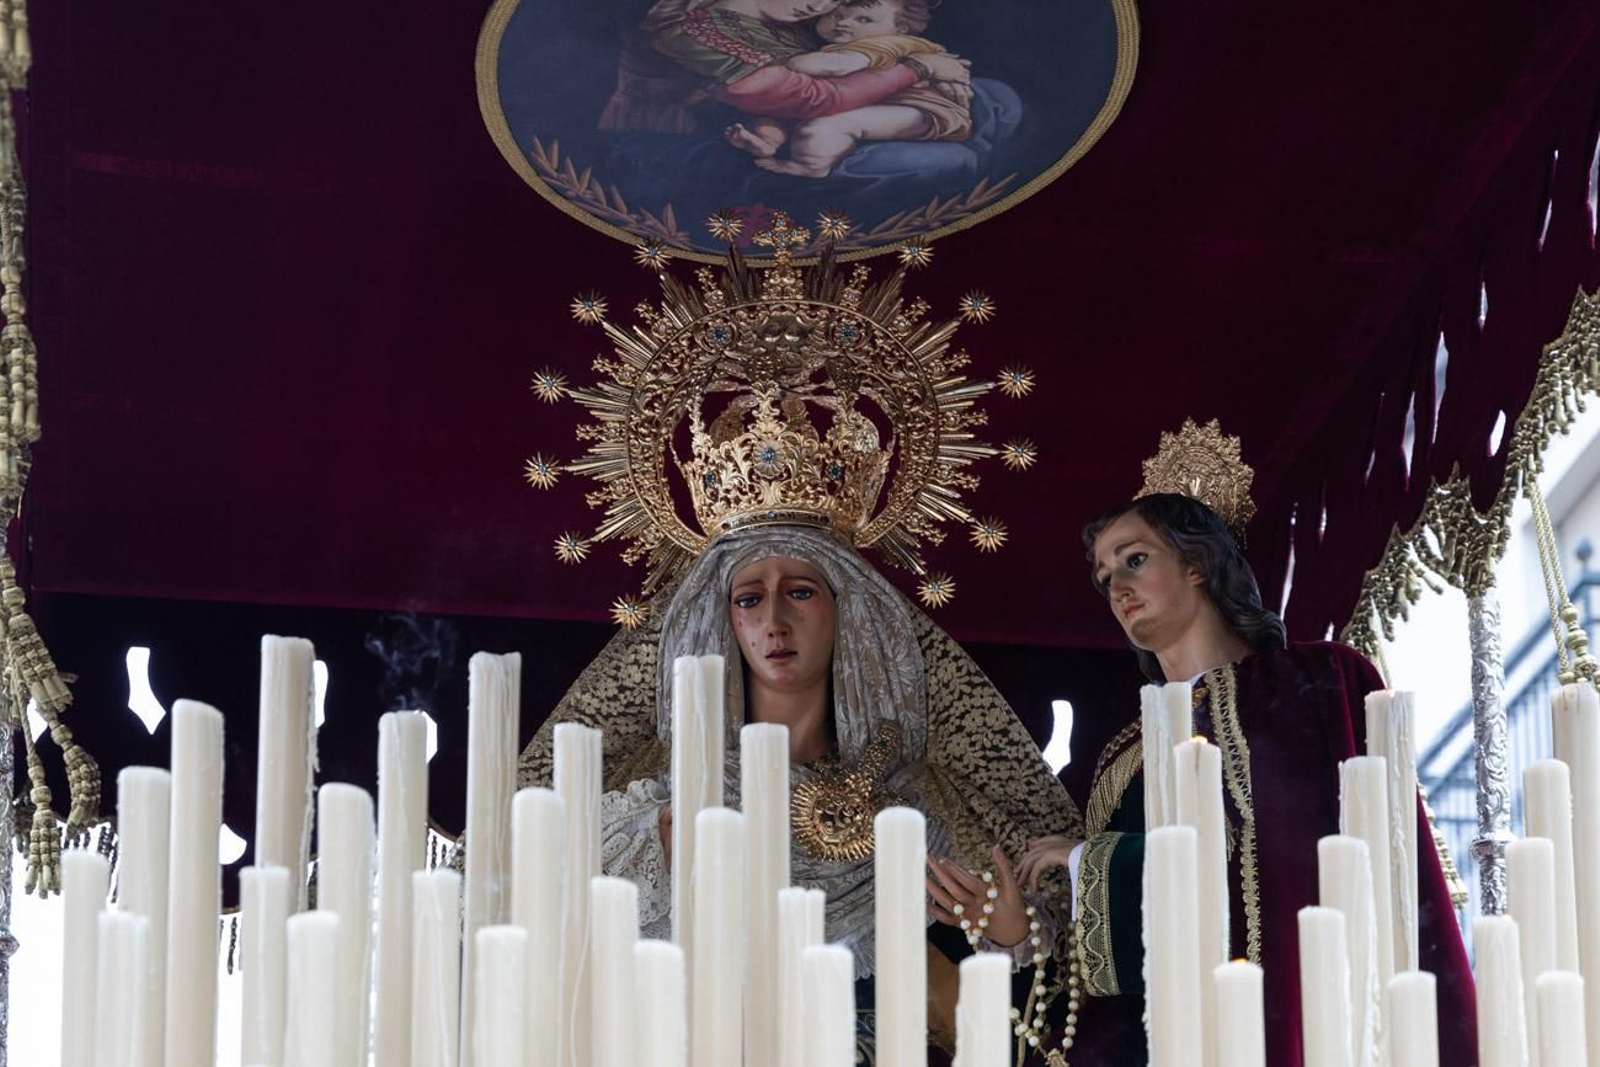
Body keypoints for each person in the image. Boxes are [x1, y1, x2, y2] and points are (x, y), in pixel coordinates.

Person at [516, 212, 1079, 1061]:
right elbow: (548, 934)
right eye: (749, 598)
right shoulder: (659, 807)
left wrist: (1010, 934)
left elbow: (1026, 952)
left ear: (848, 610)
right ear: (724, 621)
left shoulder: (913, 804)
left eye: (801, 591)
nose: (773, 619)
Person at [1012, 475, 1478, 1065]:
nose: (1118, 588)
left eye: (1135, 560)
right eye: (1105, 579)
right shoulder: (1122, 755)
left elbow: (1293, 853)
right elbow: (1114, 963)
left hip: (1304, 1009)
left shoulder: (1315, 680)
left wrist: (1090, 860)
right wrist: (1018, 930)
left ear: (1196, 565)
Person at [599, 0, 972, 136]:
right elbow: (812, 98)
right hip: (673, 146)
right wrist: (917, 68)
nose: (819, 7)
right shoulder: (686, 32)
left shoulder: (793, 31)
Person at [724, 0, 973, 178]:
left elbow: (833, 67)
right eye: (835, 15)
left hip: (918, 110)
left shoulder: (889, 44)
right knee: (772, 116)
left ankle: (811, 166)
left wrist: (795, 62)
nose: (843, 23)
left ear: (901, 28)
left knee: (823, 127)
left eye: (863, 19)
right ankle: (767, 141)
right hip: (872, 104)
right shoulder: (848, 43)